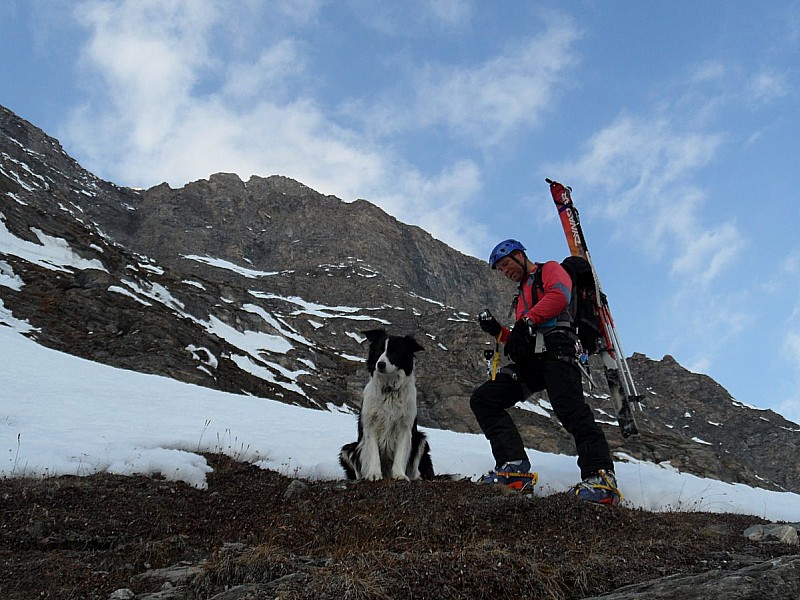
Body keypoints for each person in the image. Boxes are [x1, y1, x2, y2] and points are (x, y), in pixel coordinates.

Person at [471, 239, 621, 505]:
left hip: (559, 349)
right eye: (501, 269)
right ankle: (513, 468)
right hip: (533, 359)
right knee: (485, 399)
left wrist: (526, 320)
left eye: (506, 264)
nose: (506, 272)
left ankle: (601, 478)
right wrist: (497, 331)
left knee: (570, 408)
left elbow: (559, 295)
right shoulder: (520, 296)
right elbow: (521, 337)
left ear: (519, 255)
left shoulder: (549, 269)